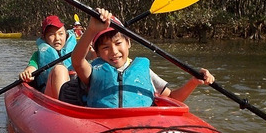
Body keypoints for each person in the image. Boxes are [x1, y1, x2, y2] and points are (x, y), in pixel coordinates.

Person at [71, 8, 215, 108]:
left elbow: (171, 97)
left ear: (128, 43)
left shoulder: (143, 70)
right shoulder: (93, 70)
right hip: (104, 125)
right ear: (97, 52)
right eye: (105, 47)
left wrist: (193, 82)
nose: (114, 51)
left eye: (118, 43)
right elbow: (77, 61)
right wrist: (91, 30)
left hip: (141, 126)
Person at [18, 15, 79, 99]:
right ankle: (63, 105)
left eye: (61, 34)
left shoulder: (79, 51)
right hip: (51, 94)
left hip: (75, 91)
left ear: (66, 35)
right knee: (60, 69)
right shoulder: (38, 55)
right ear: (44, 37)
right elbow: (31, 68)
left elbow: (92, 56)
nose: (57, 38)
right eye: (51, 35)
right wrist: (27, 73)